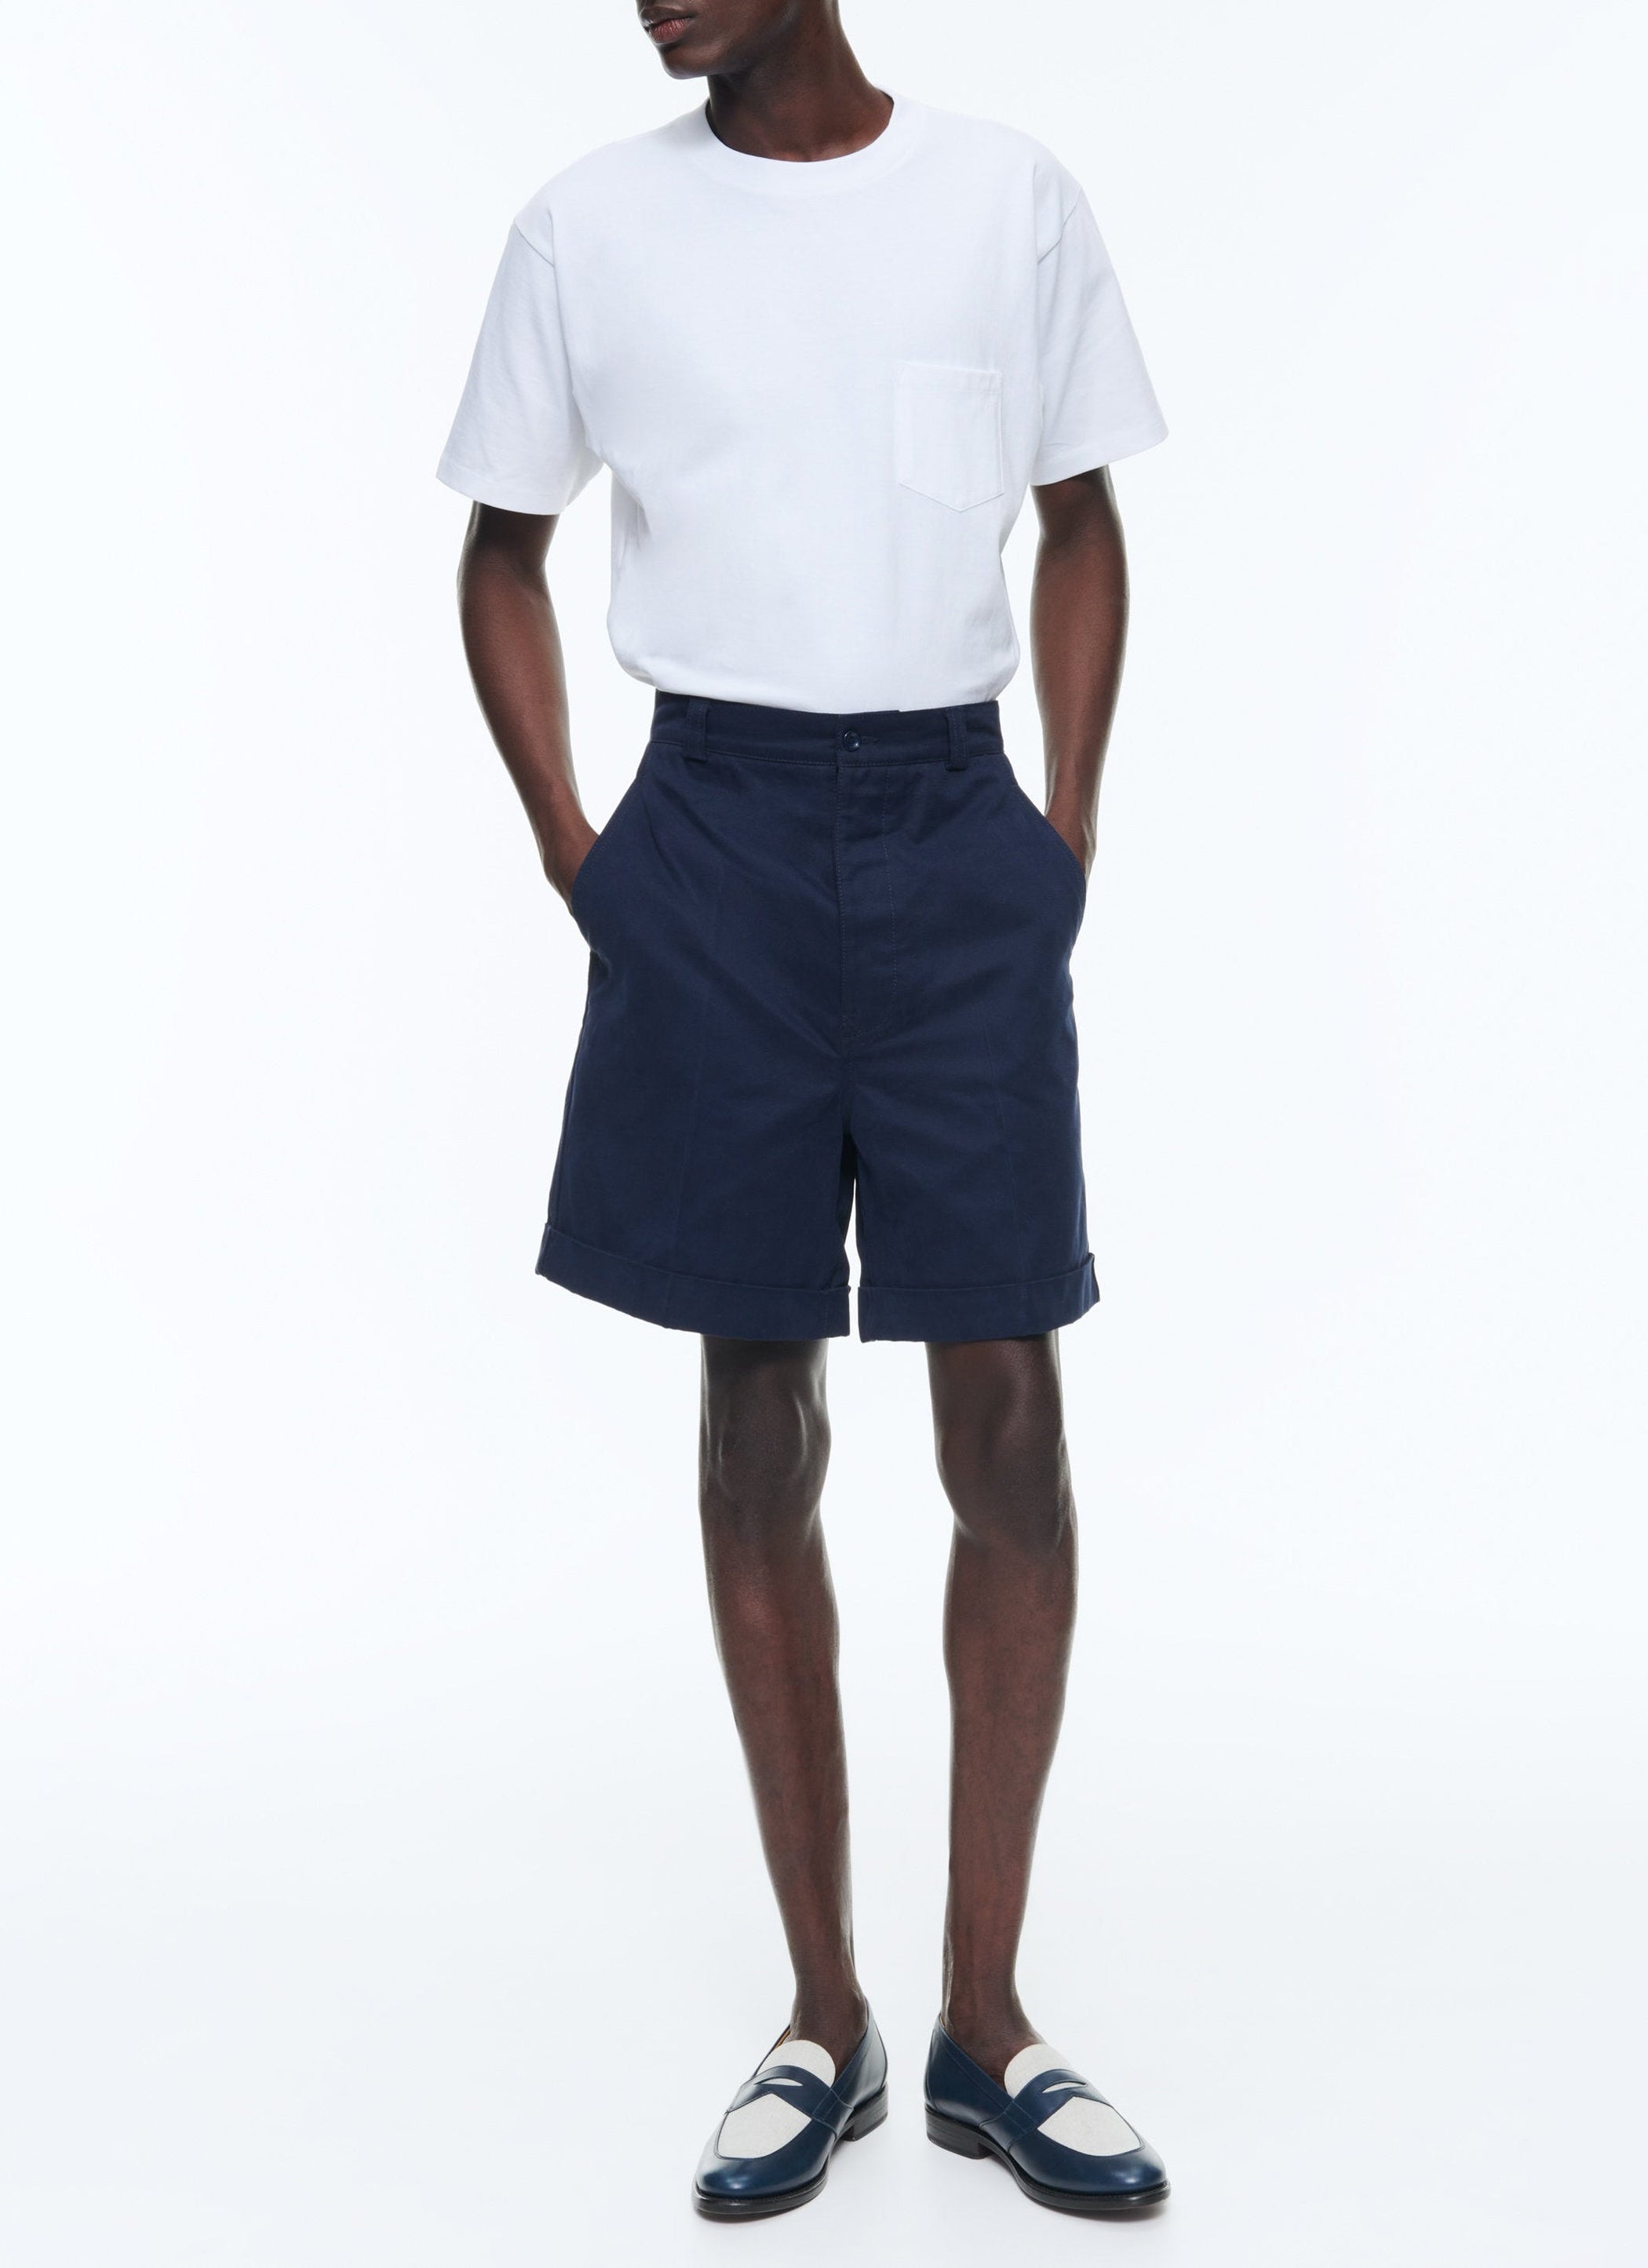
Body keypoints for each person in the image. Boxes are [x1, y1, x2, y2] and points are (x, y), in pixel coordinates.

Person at [439, 0, 1169, 2222]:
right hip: (714, 840)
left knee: (1006, 1422)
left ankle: (986, 2025)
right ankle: (821, 2018)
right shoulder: (587, 228)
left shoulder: (1002, 197)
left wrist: (1062, 833)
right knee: (754, 1417)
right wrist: (582, 853)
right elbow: (497, 551)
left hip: (955, 834)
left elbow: (1080, 518)